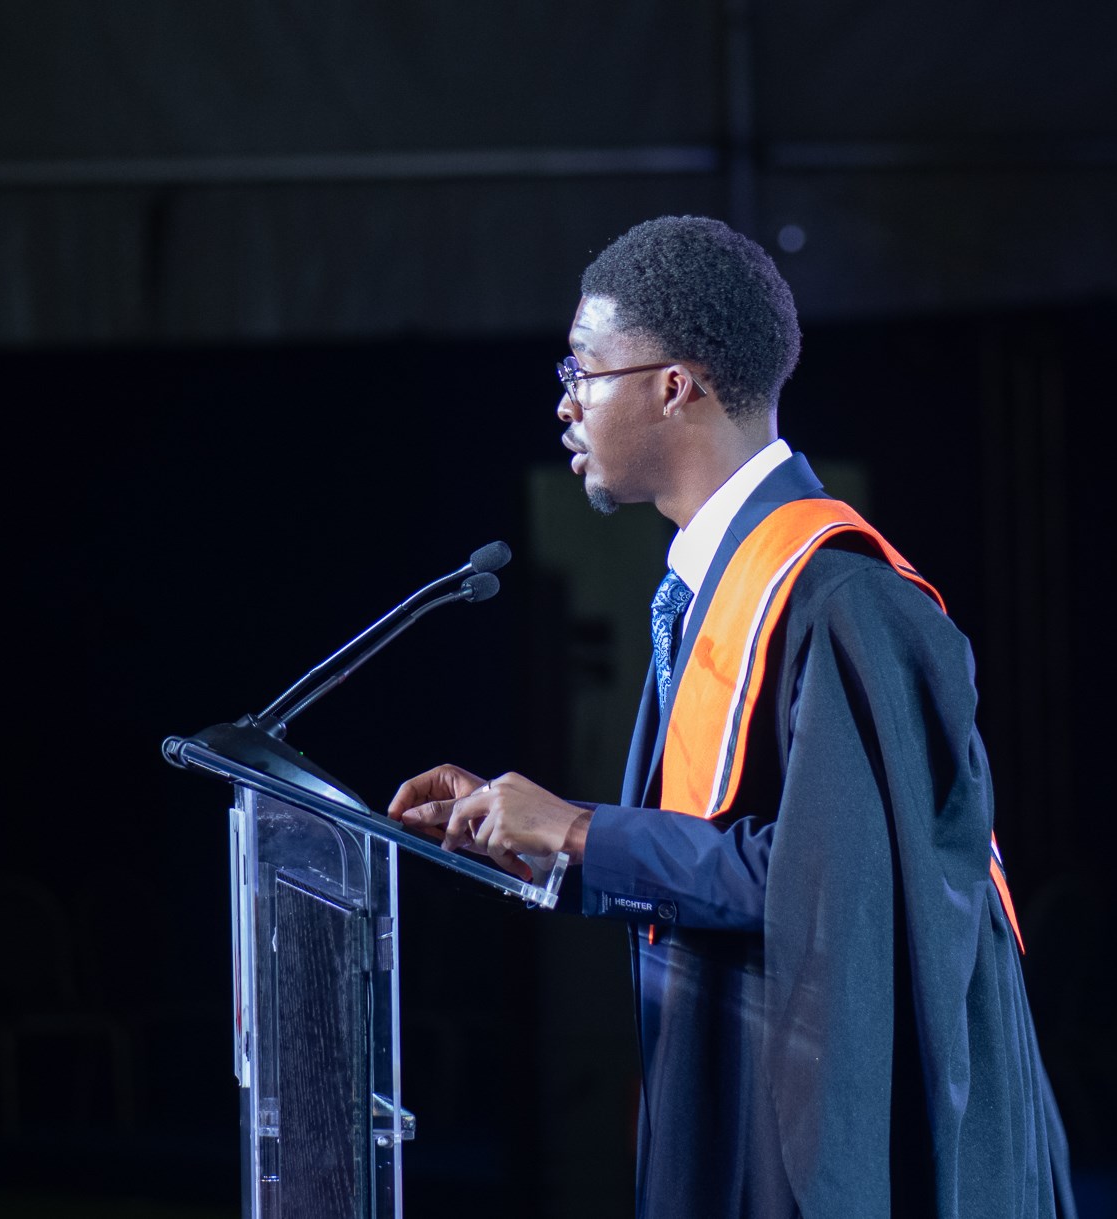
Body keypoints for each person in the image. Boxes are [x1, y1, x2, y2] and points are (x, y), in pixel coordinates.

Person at [388, 216, 1075, 1218]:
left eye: (582, 369)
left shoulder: (843, 601)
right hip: (745, 1089)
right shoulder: (714, 593)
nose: (565, 403)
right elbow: (739, 859)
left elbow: (830, 888)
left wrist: (580, 830)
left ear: (674, 385)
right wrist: (543, 843)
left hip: (836, 1137)